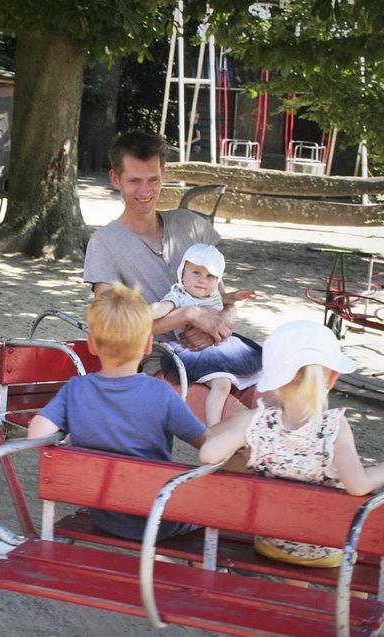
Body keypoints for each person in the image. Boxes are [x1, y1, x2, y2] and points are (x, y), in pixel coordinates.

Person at [199, 320, 384, 567]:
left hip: (271, 541)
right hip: (324, 549)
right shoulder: (334, 427)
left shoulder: (257, 421)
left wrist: (240, 431)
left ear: (274, 381)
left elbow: (208, 454)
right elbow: (358, 485)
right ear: (332, 378)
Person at [27, 283, 216, 541]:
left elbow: (36, 435)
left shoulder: (75, 390)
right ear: (149, 344)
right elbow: (207, 445)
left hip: (106, 516)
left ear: (92, 345)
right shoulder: (160, 394)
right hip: (161, 521)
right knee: (214, 505)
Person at [83, 129, 257, 406]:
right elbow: (112, 330)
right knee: (239, 426)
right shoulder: (104, 243)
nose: (145, 191)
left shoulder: (190, 224)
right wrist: (188, 315)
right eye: (134, 181)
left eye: (153, 179)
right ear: (116, 179)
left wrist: (218, 322)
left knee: (279, 407)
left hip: (218, 349)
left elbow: (221, 299)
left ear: (163, 173)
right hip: (162, 360)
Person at [151, 243, 262, 425]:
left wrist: (234, 297)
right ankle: (213, 426)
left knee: (260, 368)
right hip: (194, 351)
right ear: (182, 273)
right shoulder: (179, 296)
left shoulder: (211, 295)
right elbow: (161, 309)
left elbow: (221, 300)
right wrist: (139, 313)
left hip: (219, 346)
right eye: (196, 273)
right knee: (222, 384)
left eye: (210, 276)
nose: (202, 280)